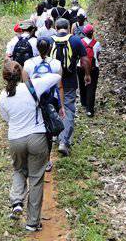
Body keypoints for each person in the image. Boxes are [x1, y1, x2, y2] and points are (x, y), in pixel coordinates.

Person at [0, 60, 61, 232]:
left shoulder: (3, 95)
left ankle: (17, 201)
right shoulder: (33, 86)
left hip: (15, 139)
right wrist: (37, 76)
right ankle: (32, 222)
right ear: (22, 74)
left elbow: (6, 118)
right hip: (36, 137)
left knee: (19, 170)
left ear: (4, 77)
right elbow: (56, 76)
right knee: (36, 179)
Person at [23, 37, 64, 172]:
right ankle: (47, 161)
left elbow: (25, 85)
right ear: (51, 48)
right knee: (48, 130)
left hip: (32, 101)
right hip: (50, 101)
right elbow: (60, 87)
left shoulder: (28, 63)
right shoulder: (56, 64)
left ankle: (32, 157)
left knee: (34, 126)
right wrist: (61, 106)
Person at [51, 18, 90, 156]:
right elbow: (85, 59)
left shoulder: (49, 40)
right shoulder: (75, 40)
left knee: (53, 107)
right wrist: (87, 74)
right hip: (69, 82)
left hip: (52, 83)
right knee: (67, 109)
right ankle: (64, 141)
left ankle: (55, 135)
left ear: (55, 27)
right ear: (68, 28)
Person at [78, 24, 102, 117]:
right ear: (92, 33)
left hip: (80, 67)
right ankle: (90, 110)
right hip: (93, 68)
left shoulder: (80, 42)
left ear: (84, 33)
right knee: (91, 87)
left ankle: (83, 102)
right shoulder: (97, 43)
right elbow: (98, 55)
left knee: (81, 84)